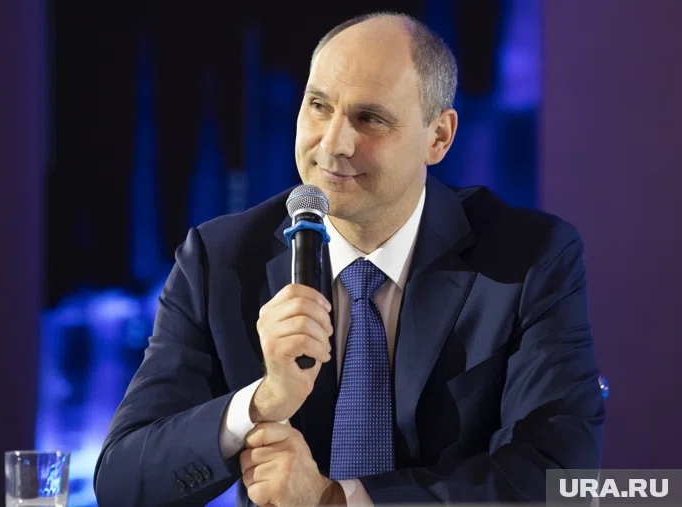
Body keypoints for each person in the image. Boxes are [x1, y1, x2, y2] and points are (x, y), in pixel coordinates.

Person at [94, 11, 605, 506]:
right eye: (318, 106)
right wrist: (262, 401)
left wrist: (336, 500)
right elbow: (121, 482)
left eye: (370, 119)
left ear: (439, 137)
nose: (333, 143)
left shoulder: (530, 258)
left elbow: (562, 479)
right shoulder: (220, 260)